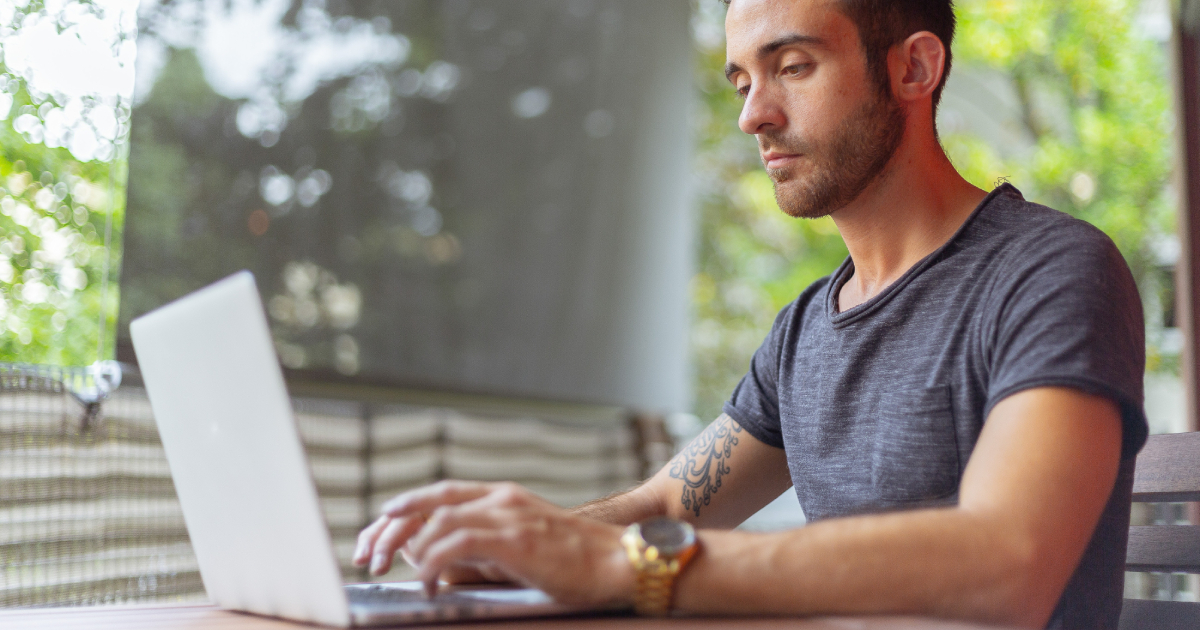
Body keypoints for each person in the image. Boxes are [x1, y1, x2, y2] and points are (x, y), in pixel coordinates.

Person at [353, 1, 1148, 628]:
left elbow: (1006, 562)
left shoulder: (1049, 272)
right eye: (741, 82)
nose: (753, 116)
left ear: (914, 66)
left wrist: (627, 567)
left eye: (792, 66)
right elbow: (669, 504)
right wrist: (522, 546)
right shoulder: (806, 328)